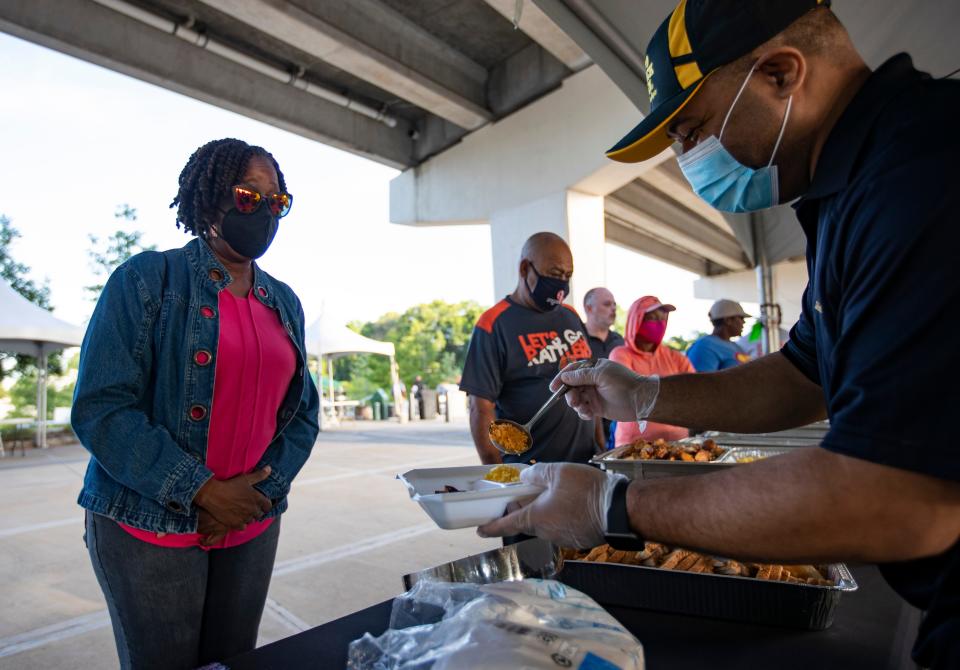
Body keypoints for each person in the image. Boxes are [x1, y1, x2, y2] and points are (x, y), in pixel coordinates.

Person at [477, 3, 960, 667]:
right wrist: (646, 397)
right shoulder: (846, 189)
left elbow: (901, 496)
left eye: (692, 129)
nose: (685, 158)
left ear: (782, 74)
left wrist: (617, 504)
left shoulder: (919, 174)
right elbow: (801, 375)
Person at [72, 138, 320, 670]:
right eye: (248, 196)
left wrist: (254, 498)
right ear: (209, 201)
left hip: (251, 529)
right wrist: (202, 492)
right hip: (149, 528)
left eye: (277, 202)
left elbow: (301, 415)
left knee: (234, 663)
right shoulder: (145, 280)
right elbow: (102, 408)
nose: (265, 211)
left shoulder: (285, 301)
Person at [460, 232, 595, 466]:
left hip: (585, 464)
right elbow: (480, 409)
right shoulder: (494, 324)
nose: (561, 284)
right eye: (554, 274)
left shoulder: (570, 316)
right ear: (525, 269)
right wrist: (499, 476)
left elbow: (589, 387)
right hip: (529, 472)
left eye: (567, 276)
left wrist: (599, 445)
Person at [609, 296, 694, 444]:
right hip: (634, 446)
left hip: (678, 442)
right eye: (652, 318)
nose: (659, 324)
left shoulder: (675, 357)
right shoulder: (620, 354)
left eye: (662, 319)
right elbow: (627, 392)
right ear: (637, 320)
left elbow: (695, 390)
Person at [583, 287, 624, 446]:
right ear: (588, 308)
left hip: (618, 421)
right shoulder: (578, 340)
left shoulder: (619, 341)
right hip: (588, 423)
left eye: (614, 304)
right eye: (607, 304)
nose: (613, 308)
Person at [687, 299, 752, 371]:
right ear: (728, 320)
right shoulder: (705, 347)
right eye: (741, 318)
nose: (744, 322)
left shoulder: (735, 346)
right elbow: (701, 380)